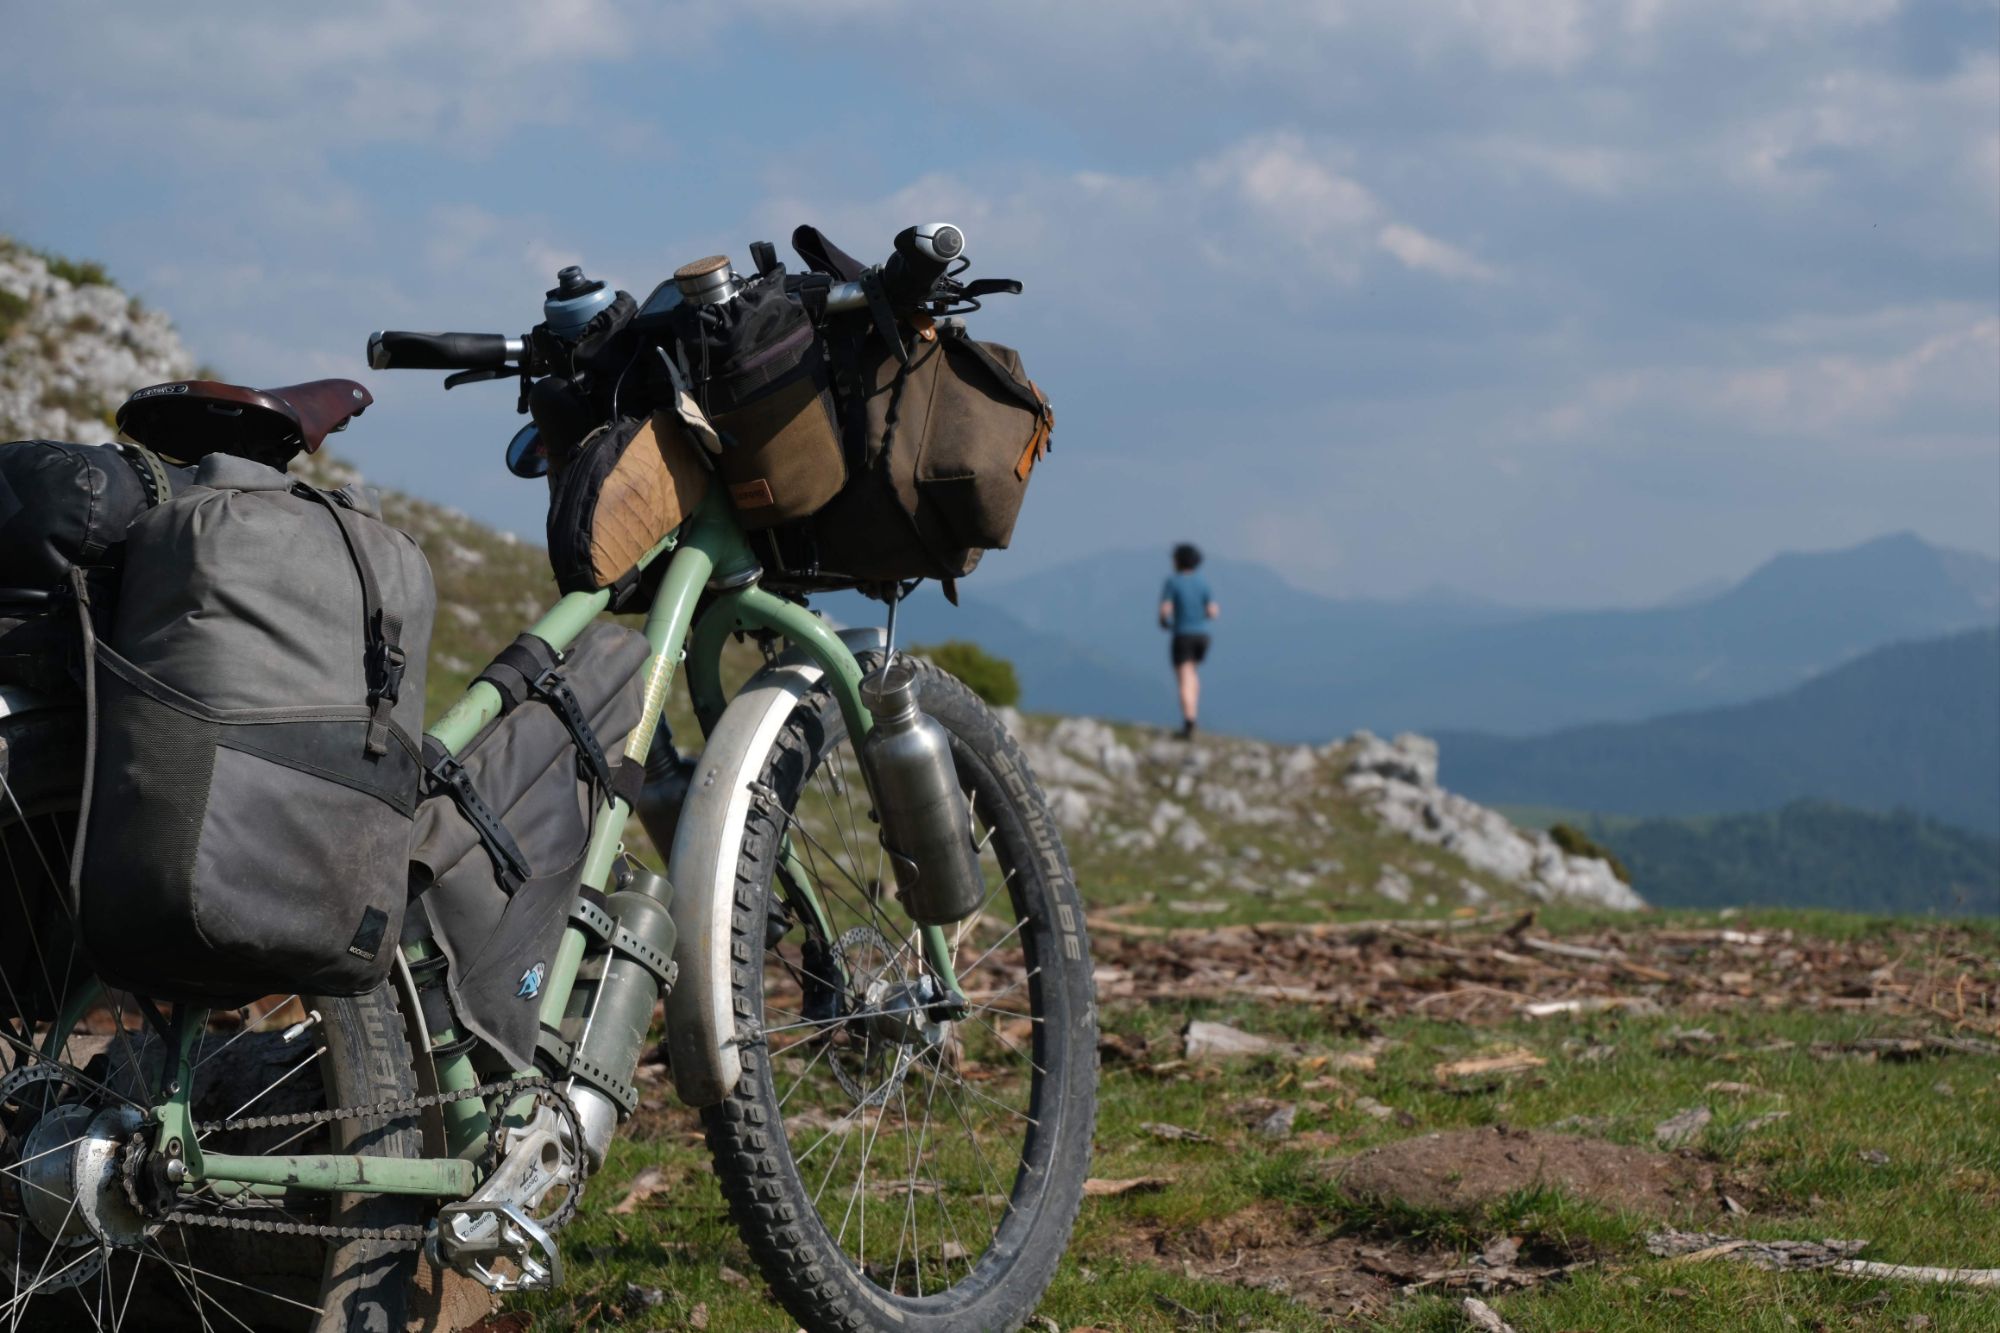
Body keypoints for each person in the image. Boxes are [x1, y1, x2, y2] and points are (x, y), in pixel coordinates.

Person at [1158, 543, 1218, 740]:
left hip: (1182, 634)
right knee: (1192, 673)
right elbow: (1213, 611)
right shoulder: (1203, 583)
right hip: (1202, 636)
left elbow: (1166, 609)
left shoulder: (1173, 582)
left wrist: (1164, 621)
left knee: (1184, 677)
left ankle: (1189, 721)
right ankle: (1194, 713)